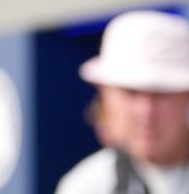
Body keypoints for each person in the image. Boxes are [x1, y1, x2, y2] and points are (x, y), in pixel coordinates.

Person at [56, 10, 189, 194]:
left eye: (161, 93)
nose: (146, 111)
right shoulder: (86, 186)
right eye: (131, 93)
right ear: (106, 96)